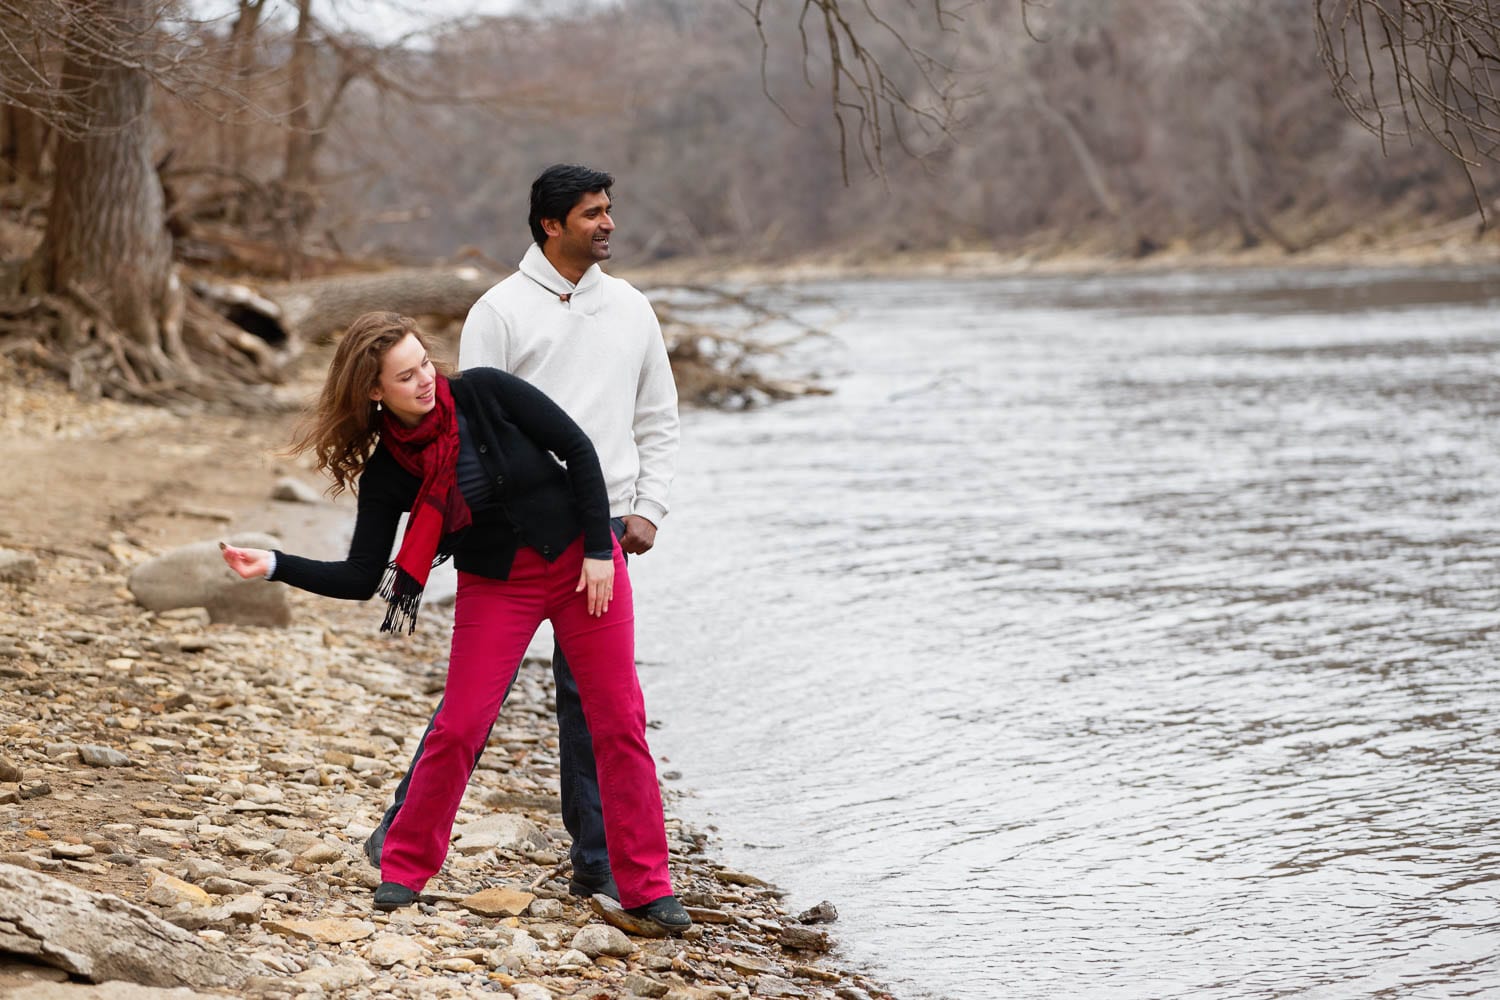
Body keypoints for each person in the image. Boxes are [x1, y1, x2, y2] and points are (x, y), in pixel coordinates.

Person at [220, 311, 689, 933]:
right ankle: (404, 869)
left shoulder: (487, 391)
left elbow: (578, 450)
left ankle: (647, 888)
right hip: (497, 586)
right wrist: (276, 564)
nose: (425, 382)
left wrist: (602, 551)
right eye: (406, 376)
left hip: (584, 567)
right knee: (460, 724)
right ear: (373, 390)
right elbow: (363, 576)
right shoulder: (389, 470)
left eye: (425, 365)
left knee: (618, 720)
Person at [365, 164, 681, 929]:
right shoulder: (499, 313)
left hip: (599, 537)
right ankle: (402, 851)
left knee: (610, 715)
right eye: (592, 213)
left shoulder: (632, 308)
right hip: (510, 548)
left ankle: (616, 872)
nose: (608, 223)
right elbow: (478, 436)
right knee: (470, 713)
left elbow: (658, 418)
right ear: (550, 225)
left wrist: (648, 509)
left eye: (610, 210)